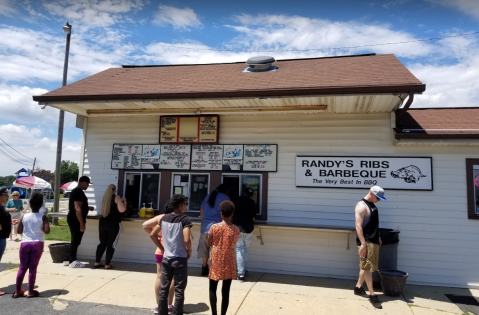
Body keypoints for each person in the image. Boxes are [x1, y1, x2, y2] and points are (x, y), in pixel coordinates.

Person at [149, 194, 192, 315]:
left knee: (164, 287)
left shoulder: (164, 218)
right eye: (185, 204)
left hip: (166, 258)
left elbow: (152, 234)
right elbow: (186, 239)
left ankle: (161, 312)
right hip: (180, 258)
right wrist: (190, 250)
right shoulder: (184, 219)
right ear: (182, 205)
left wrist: (161, 248)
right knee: (179, 289)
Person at [12, 193, 50, 298]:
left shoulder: (24, 216)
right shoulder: (43, 217)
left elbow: (19, 230)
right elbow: (47, 231)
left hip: (25, 243)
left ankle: (17, 291)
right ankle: (30, 291)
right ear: (41, 204)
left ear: (30, 204)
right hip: (37, 243)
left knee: (22, 267)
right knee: (33, 268)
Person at [354, 186, 385, 309]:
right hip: (366, 242)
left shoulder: (372, 204)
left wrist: (378, 237)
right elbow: (358, 226)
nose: (379, 200)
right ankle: (372, 294)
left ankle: (358, 288)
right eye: (378, 198)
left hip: (373, 240)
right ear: (371, 193)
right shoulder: (362, 206)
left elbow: (373, 223)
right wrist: (362, 244)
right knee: (369, 268)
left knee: (366, 265)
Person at [143, 199, 176, 315]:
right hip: (172, 251)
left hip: (159, 250)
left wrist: (157, 235)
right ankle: (169, 305)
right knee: (172, 278)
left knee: (159, 277)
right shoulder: (177, 218)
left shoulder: (160, 217)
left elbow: (145, 225)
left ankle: (158, 305)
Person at [207, 200, 240, 315]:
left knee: (212, 288)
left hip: (216, 258)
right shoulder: (236, 229)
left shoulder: (214, 227)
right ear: (232, 214)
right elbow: (234, 242)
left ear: (221, 213)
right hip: (229, 259)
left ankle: (214, 313)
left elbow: (209, 242)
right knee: (226, 290)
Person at [199, 184, 230, 276]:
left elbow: (201, 211)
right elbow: (227, 214)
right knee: (216, 249)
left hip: (205, 226)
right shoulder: (226, 198)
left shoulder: (208, 196)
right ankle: (214, 269)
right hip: (217, 227)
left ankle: (204, 268)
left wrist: (204, 223)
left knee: (204, 248)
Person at [93, 184, 127, 270]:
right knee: (111, 244)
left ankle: (97, 262)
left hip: (103, 222)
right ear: (114, 190)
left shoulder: (105, 198)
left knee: (102, 243)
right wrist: (125, 202)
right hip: (114, 223)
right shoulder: (117, 197)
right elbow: (121, 209)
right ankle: (107, 264)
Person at [64, 176, 94, 268]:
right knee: (76, 240)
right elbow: (77, 208)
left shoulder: (76, 192)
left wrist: (87, 208)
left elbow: (77, 206)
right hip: (76, 219)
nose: (88, 186)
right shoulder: (78, 192)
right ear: (84, 182)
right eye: (88, 184)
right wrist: (82, 223)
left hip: (73, 217)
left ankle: (67, 259)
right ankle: (73, 261)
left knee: (74, 238)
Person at [232, 187, 257, 282]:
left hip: (238, 228)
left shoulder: (236, 200)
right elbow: (253, 219)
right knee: (245, 250)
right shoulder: (252, 203)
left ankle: (240, 273)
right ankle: (244, 270)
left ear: (243, 193)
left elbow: (231, 214)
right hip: (249, 228)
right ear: (251, 195)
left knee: (239, 250)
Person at [0, 186, 19, 296]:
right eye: (6, 195)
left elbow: (3, 218)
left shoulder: (1, 207)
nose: (8, 197)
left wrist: (10, 221)